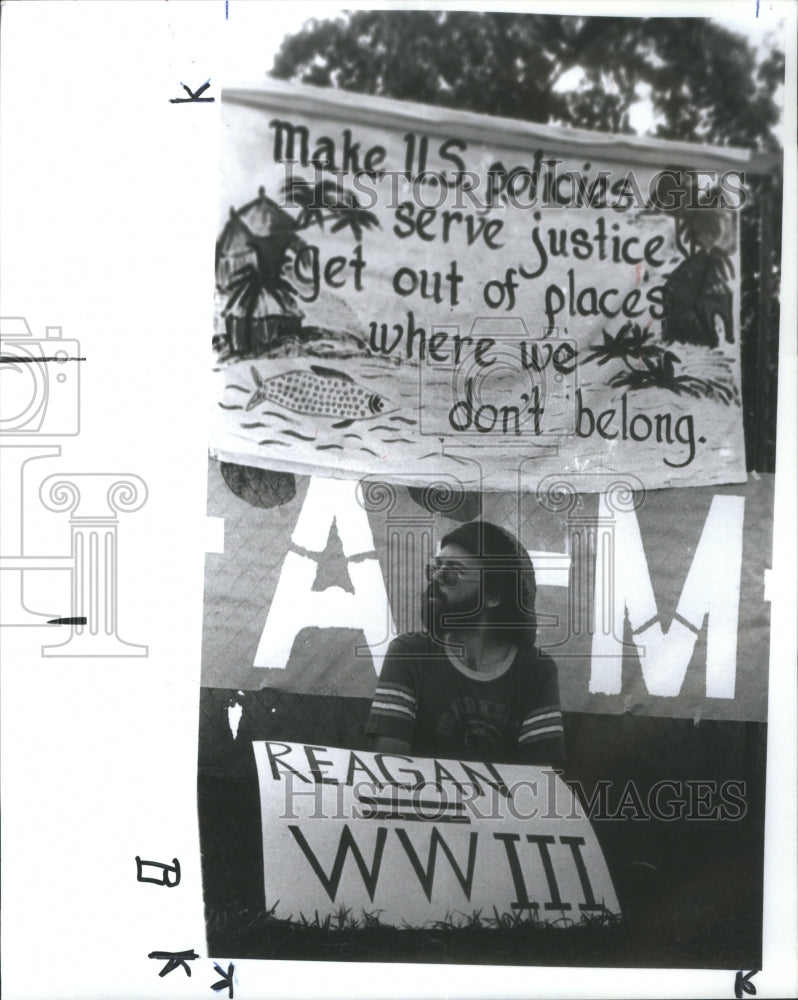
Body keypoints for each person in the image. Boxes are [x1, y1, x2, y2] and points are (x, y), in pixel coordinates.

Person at [365, 519, 565, 765]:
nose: (436, 577)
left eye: (453, 572)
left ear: (493, 596)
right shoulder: (409, 653)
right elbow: (390, 766)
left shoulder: (535, 671)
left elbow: (539, 777)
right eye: (436, 567)